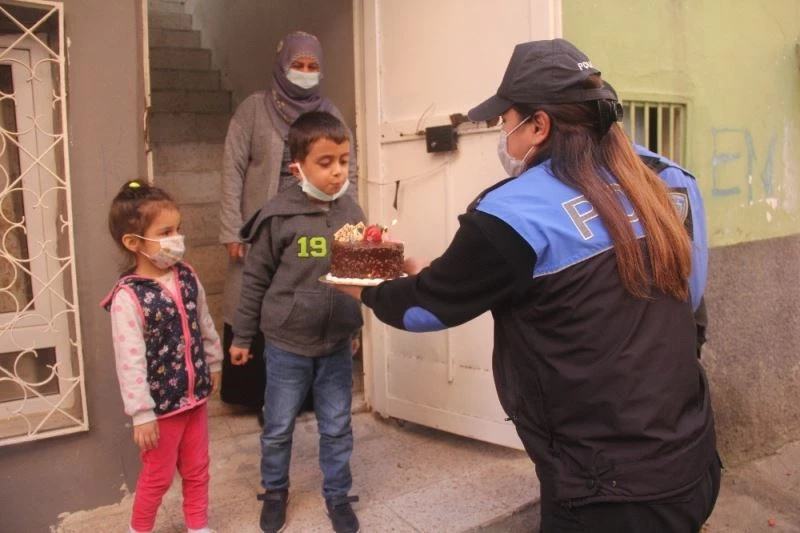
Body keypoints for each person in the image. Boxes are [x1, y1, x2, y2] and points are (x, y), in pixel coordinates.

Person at [334, 39, 720, 532]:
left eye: (504, 121)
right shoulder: (668, 181)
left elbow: (423, 311)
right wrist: (442, 274)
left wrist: (362, 288)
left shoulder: (510, 213)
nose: (502, 134)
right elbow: (692, 294)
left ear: (538, 125)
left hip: (606, 493)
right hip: (692, 456)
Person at [229, 111, 364, 533]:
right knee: (278, 425)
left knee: (337, 425)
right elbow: (254, 281)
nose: (337, 171)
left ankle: (338, 495)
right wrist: (244, 335)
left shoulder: (351, 211)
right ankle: (274, 491)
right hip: (286, 344)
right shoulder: (277, 218)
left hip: (336, 345)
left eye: (343, 160)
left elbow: (357, 277)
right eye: (325, 162)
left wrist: (354, 326)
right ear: (297, 168)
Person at [219, 30, 358, 416]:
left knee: (309, 293)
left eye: (313, 66)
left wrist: (349, 228)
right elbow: (232, 168)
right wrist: (233, 228)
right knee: (257, 292)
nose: (305, 72)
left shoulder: (330, 114)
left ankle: (309, 396)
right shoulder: (253, 108)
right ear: (282, 66)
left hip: (316, 219)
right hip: (263, 221)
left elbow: (350, 172)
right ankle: (254, 393)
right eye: (297, 65)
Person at [102, 180, 222, 533]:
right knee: (157, 477)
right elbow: (130, 360)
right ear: (133, 243)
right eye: (166, 231)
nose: (176, 238)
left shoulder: (187, 276)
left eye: (178, 229)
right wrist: (142, 413)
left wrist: (213, 361)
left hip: (194, 399)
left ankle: (198, 525)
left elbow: (205, 322)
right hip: (159, 409)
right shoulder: (128, 297)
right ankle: (139, 529)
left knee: (198, 467)